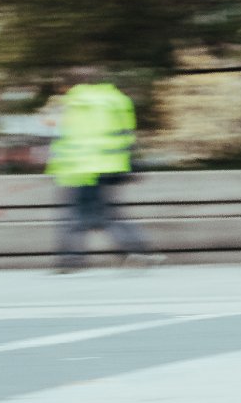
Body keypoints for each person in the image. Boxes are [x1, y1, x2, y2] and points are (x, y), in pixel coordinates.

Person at [48, 68, 159, 271]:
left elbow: (62, 138)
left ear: (70, 85)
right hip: (112, 166)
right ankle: (137, 250)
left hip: (80, 169)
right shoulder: (117, 100)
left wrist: (58, 167)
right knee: (107, 213)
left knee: (77, 216)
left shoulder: (70, 103)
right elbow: (128, 135)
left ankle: (70, 260)